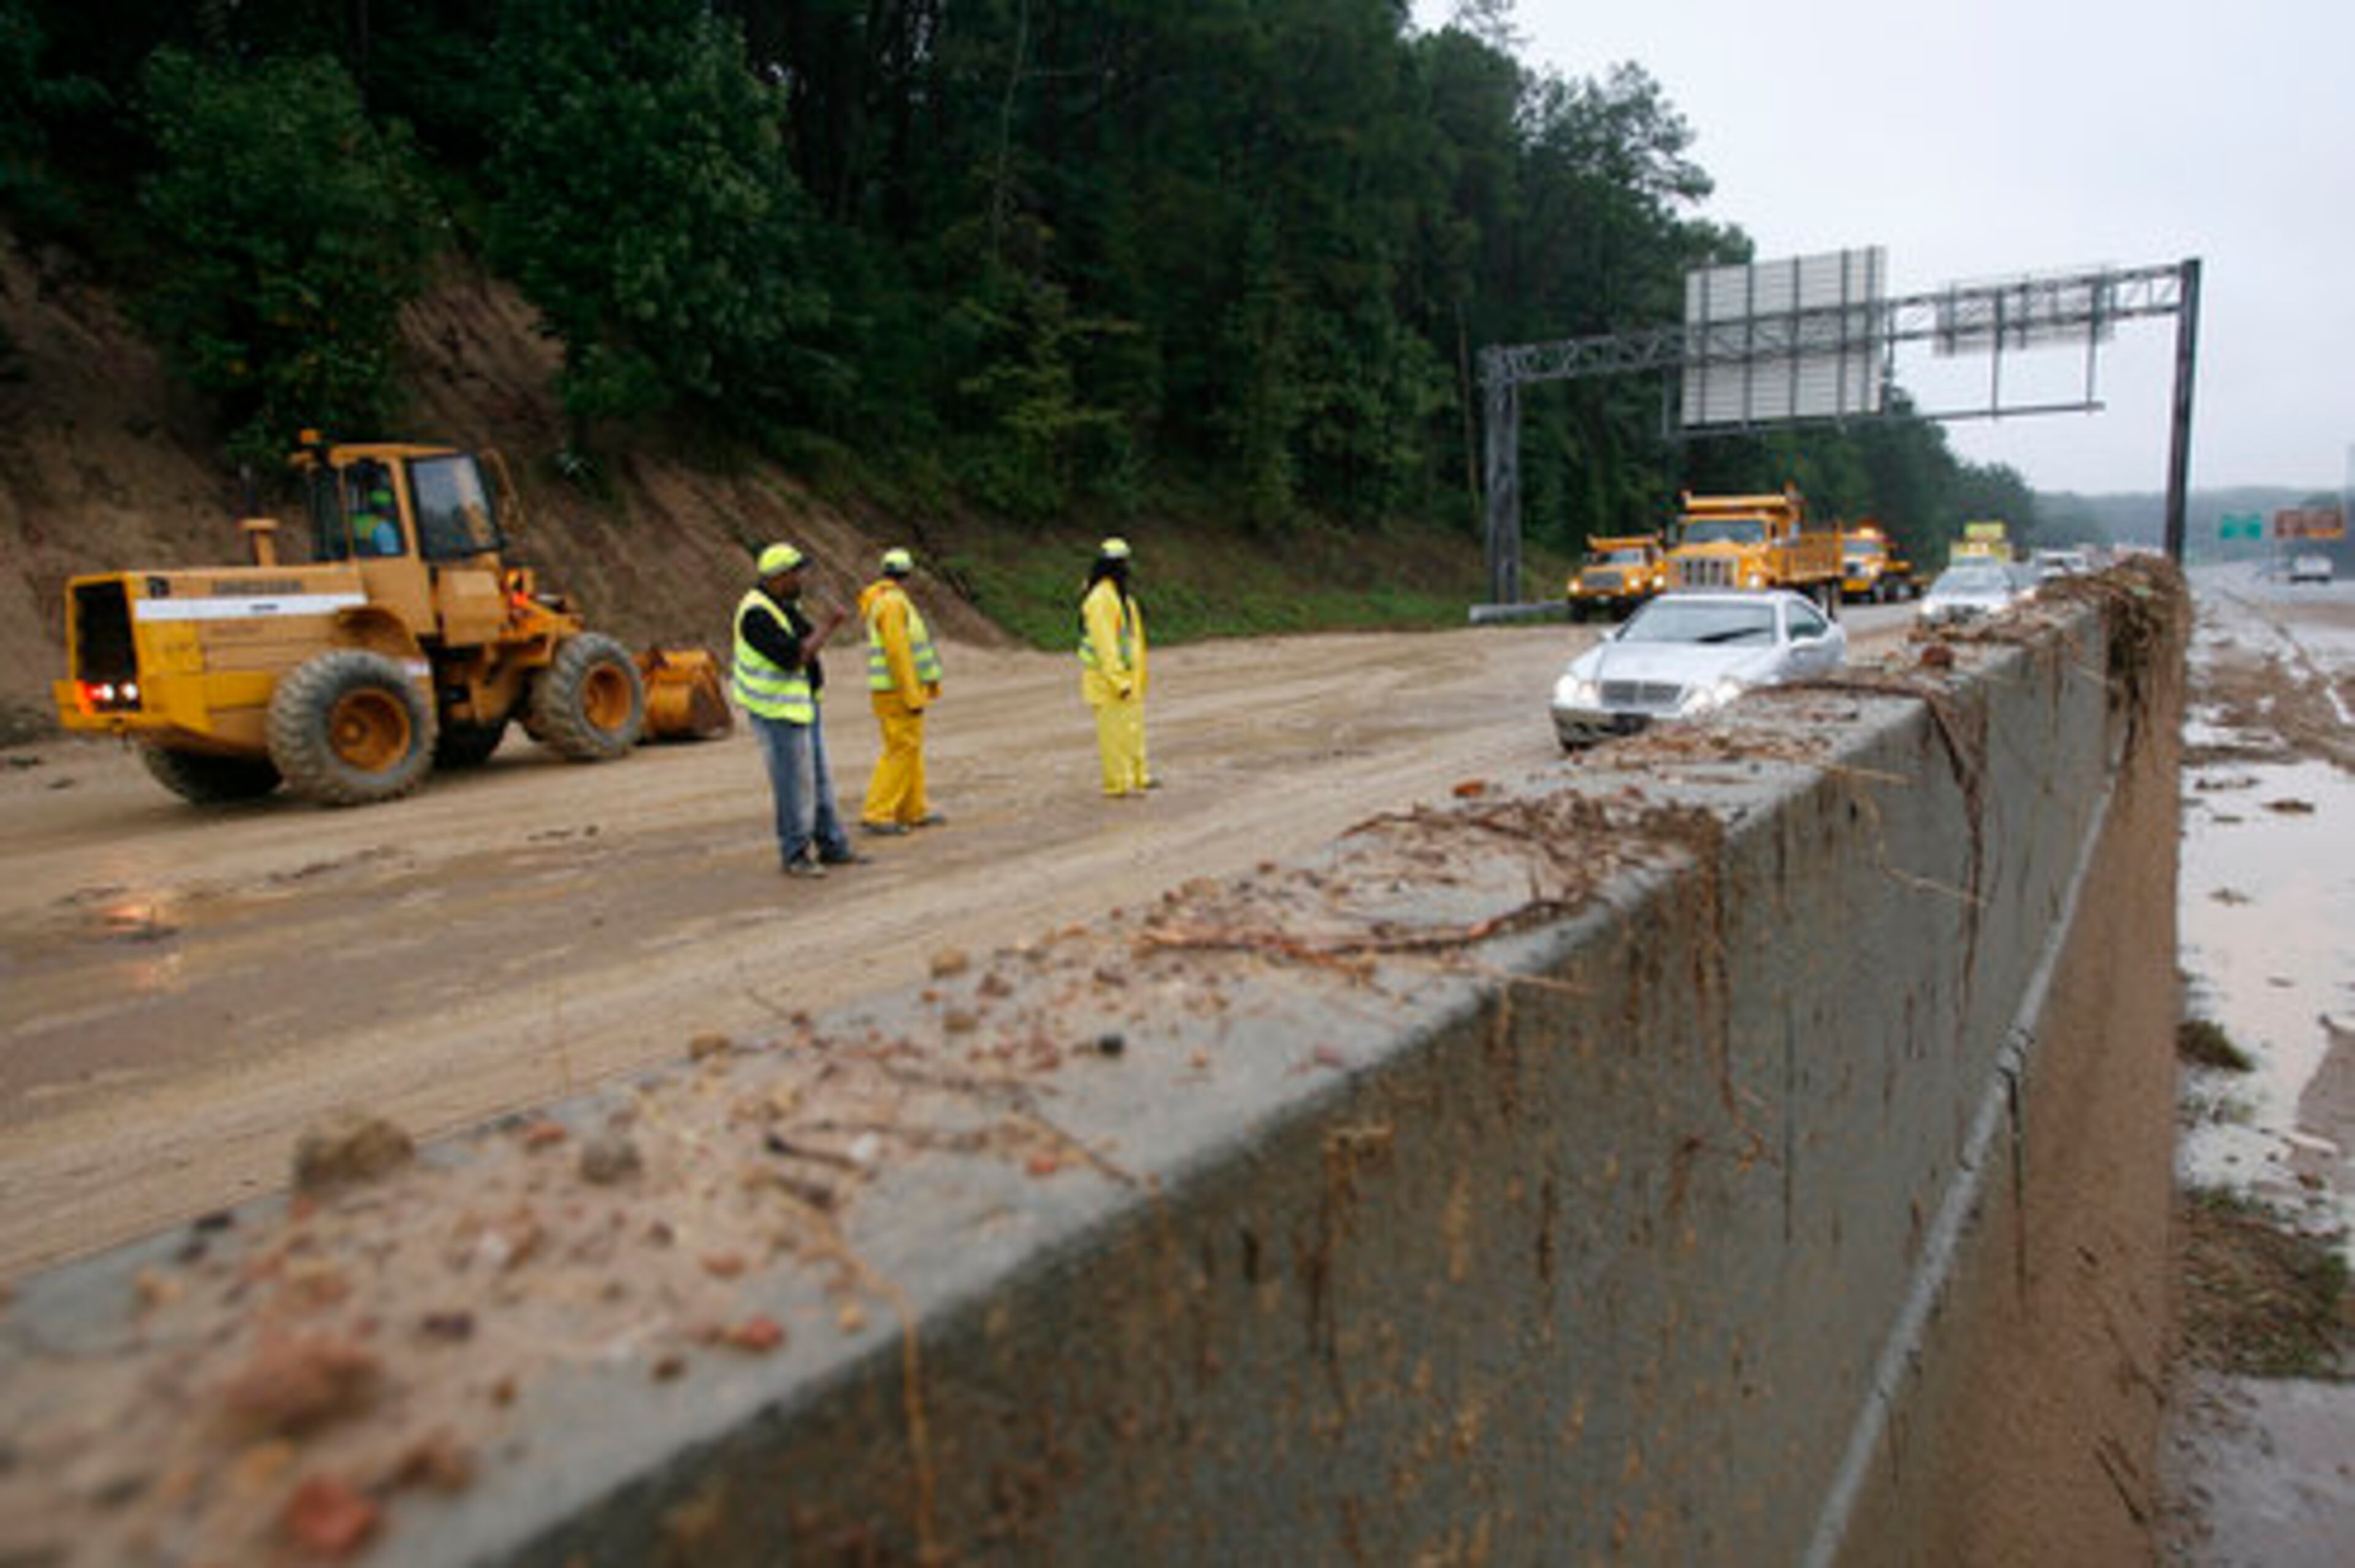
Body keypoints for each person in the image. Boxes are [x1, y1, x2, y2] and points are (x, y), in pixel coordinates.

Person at [733, 543, 866, 878]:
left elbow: (807, 638)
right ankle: (795, 855)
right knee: (795, 786)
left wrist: (822, 627)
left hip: (801, 707)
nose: (802, 579)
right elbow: (795, 656)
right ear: (779, 577)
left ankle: (832, 845)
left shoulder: (781, 605)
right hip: (777, 711)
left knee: (819, 780)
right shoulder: (756, 614)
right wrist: (829, 624)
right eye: (796, 573)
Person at [857, 547, 946, 835]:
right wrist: (911, 694)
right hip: (896, 691)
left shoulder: (888, 601)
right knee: (900, 750)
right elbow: (898, 653)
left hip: (895, 690)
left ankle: (912, 809)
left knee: (910, 749)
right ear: (909, 574)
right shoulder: (893, 604)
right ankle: (878, 812)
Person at [1078, 536, 1155, 798]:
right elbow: (1105, 645)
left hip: (1128, 679)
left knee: (1132, 731)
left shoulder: (1122, 598)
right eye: (1123, 564)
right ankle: (1116, 785)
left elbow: (1134, 639)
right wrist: (1118, 681)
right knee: (1112, 738)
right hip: (1107, 682)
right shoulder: (1100, 600)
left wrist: (1136, 678)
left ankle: (1138, 777)